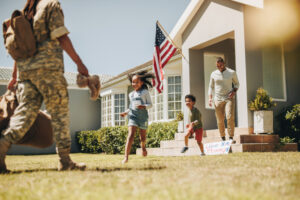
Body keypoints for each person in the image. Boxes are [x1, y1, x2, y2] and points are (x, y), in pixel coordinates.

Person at [0, 0, 89, 173]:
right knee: (60, 115)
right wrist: (79, 63)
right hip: (49, 71)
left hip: (26, 74)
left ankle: (2, 145)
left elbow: (20, 49)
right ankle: (65, 161)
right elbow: (61, 36)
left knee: (24, 115)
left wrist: (14, 76)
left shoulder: (27, 11)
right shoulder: (51, 5)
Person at [120, 70, 154, 164]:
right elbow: (131, 107)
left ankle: (143, 148)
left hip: (143, 117)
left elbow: (150, 105)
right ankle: (126, 157)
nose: (134, 84)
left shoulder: (145, 92)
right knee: (130, 135)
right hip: (133, 116)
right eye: (133, 82)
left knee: (142, 138)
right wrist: (126, 113)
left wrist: (144, 106)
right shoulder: (131, 94)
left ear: (141, 82)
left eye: (136, 82)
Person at [208, 57, 239, 142]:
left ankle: (231, 137)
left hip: (229, 98)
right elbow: (211, 86)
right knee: (220, 119)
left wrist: (234, 91)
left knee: (229, 117)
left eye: (220, 65)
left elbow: (237, 83)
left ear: (224, 63)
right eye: (217, 66)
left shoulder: (231, 72)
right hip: (217, 99)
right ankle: (222, 137)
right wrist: (210, 98)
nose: (219, 67)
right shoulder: (213, 74)